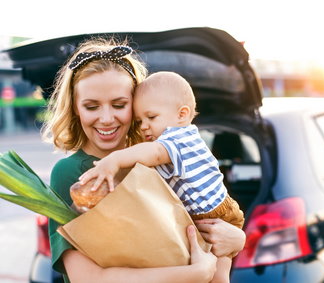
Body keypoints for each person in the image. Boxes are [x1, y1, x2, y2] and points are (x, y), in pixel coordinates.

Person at [42, 38, 245, 283]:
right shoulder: (72, 172)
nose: (106, 118)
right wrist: (194, 274)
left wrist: (237, 239)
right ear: (76, 108)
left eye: (119, 104)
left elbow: (191, 224)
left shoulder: (153, 160)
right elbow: (87, 278)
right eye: (91, 106)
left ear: (137, 105)